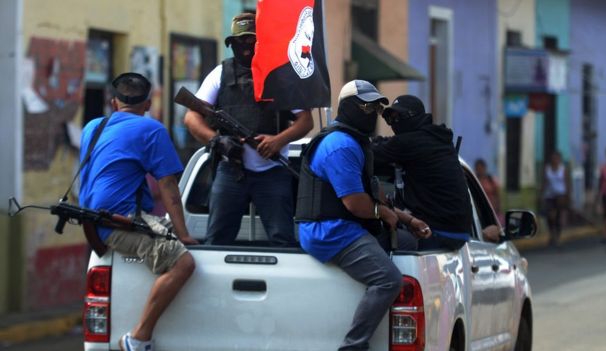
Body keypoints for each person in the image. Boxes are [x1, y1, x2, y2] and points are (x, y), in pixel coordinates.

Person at [296, 80, 429, 350]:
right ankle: (354, 345)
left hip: (343, 227)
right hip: (329, 231)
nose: (372, 113)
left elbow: (372, 194)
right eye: (366, 106)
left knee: (406, 243)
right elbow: (356, 204)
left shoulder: (356, 142)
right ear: (348, 108)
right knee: (388, 279)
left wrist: (406, 219)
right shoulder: (341, 145)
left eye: (376, 108)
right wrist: (382, 213)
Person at [79, 72, 198, 351]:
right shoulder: (151, 130)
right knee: (184, 263)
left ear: (113, 102)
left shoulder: (93, 127)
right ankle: (139, 337)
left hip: (95, 222)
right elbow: (168, 185)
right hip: (119, 223)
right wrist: (184, 234)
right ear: (147, 104)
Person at [184, 12, 313, 246]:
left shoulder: (280, 76)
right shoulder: (220, 74)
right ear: (231, 44)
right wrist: (216, 141)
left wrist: (277, 141)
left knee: (282, 240)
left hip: (272, 171)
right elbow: (191, 118)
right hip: (231, 170)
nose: (245, 48)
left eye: (251, 41)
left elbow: (306, 121)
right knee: (217, 240)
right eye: (239, 42)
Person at [372, 95, 473, 251]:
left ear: (413, 116)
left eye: (399, 117)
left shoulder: (410, 143)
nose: (394, 123)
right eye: (390, 119)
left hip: (437, 231)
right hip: (457, 232)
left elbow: (370, 152)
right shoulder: (434, 139)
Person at [541, 150, 570, 247]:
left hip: (560, 195)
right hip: (549, 195)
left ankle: (557, 236)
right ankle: (551, 234)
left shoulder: (563, 169)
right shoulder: (547, 169)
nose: (555, 160)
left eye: (557, 158)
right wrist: (541, 194)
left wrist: (568, 195)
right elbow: (544, 182)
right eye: (553, 158)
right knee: (550, 216)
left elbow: (567, 182)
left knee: (558, 217)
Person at [475, 158, 503, 224]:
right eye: (478, 168)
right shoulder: (474, 181)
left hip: (492, 211)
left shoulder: (491, 180)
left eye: (481, 168)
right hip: (479, 212)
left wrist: (497, 209)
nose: (480, 170)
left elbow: (497, 196)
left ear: (484, 168)